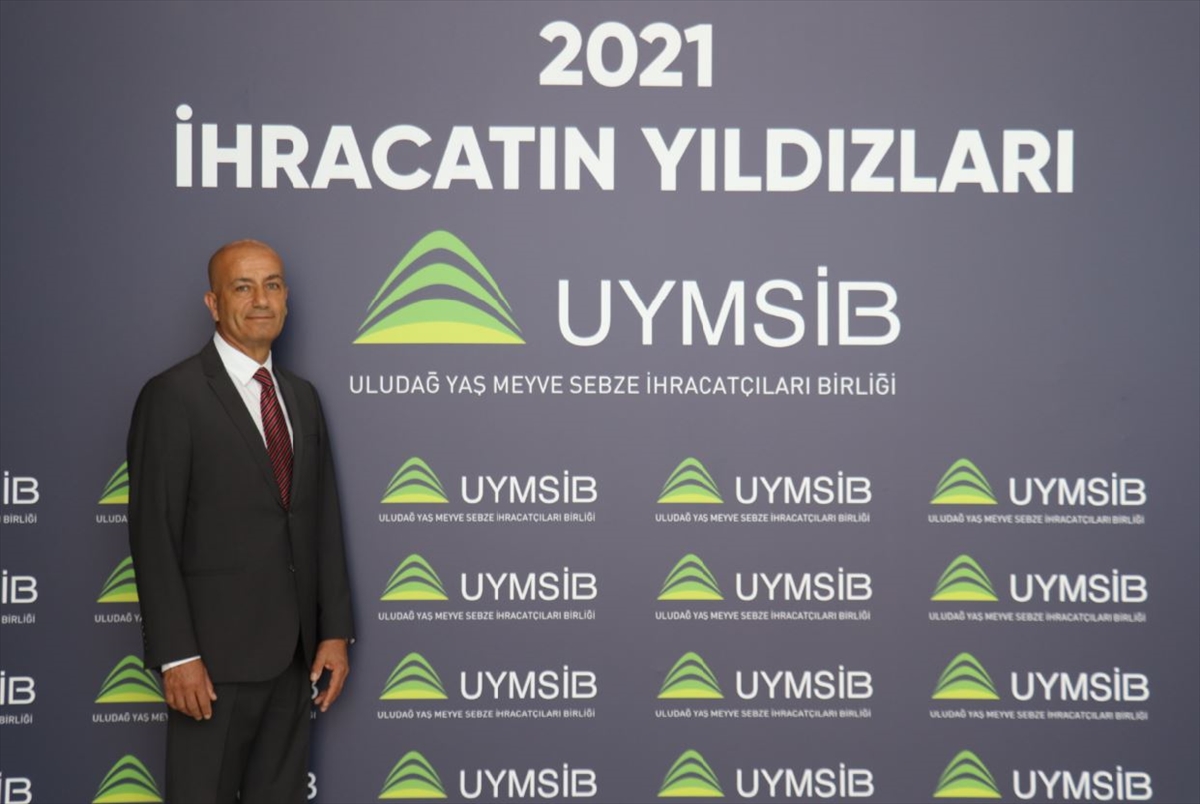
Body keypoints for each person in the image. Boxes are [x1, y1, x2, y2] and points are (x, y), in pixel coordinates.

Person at [127, 239, 354, 803]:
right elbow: (153, 535)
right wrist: (178, 655)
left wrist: (333, 631)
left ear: (286, 299)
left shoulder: (302, 398)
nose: (261, 300)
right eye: (243, 287)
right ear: (213, 303)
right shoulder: (172, 396)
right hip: (211, 666)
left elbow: (321, 520)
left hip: (294, 660)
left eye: (272, 286)